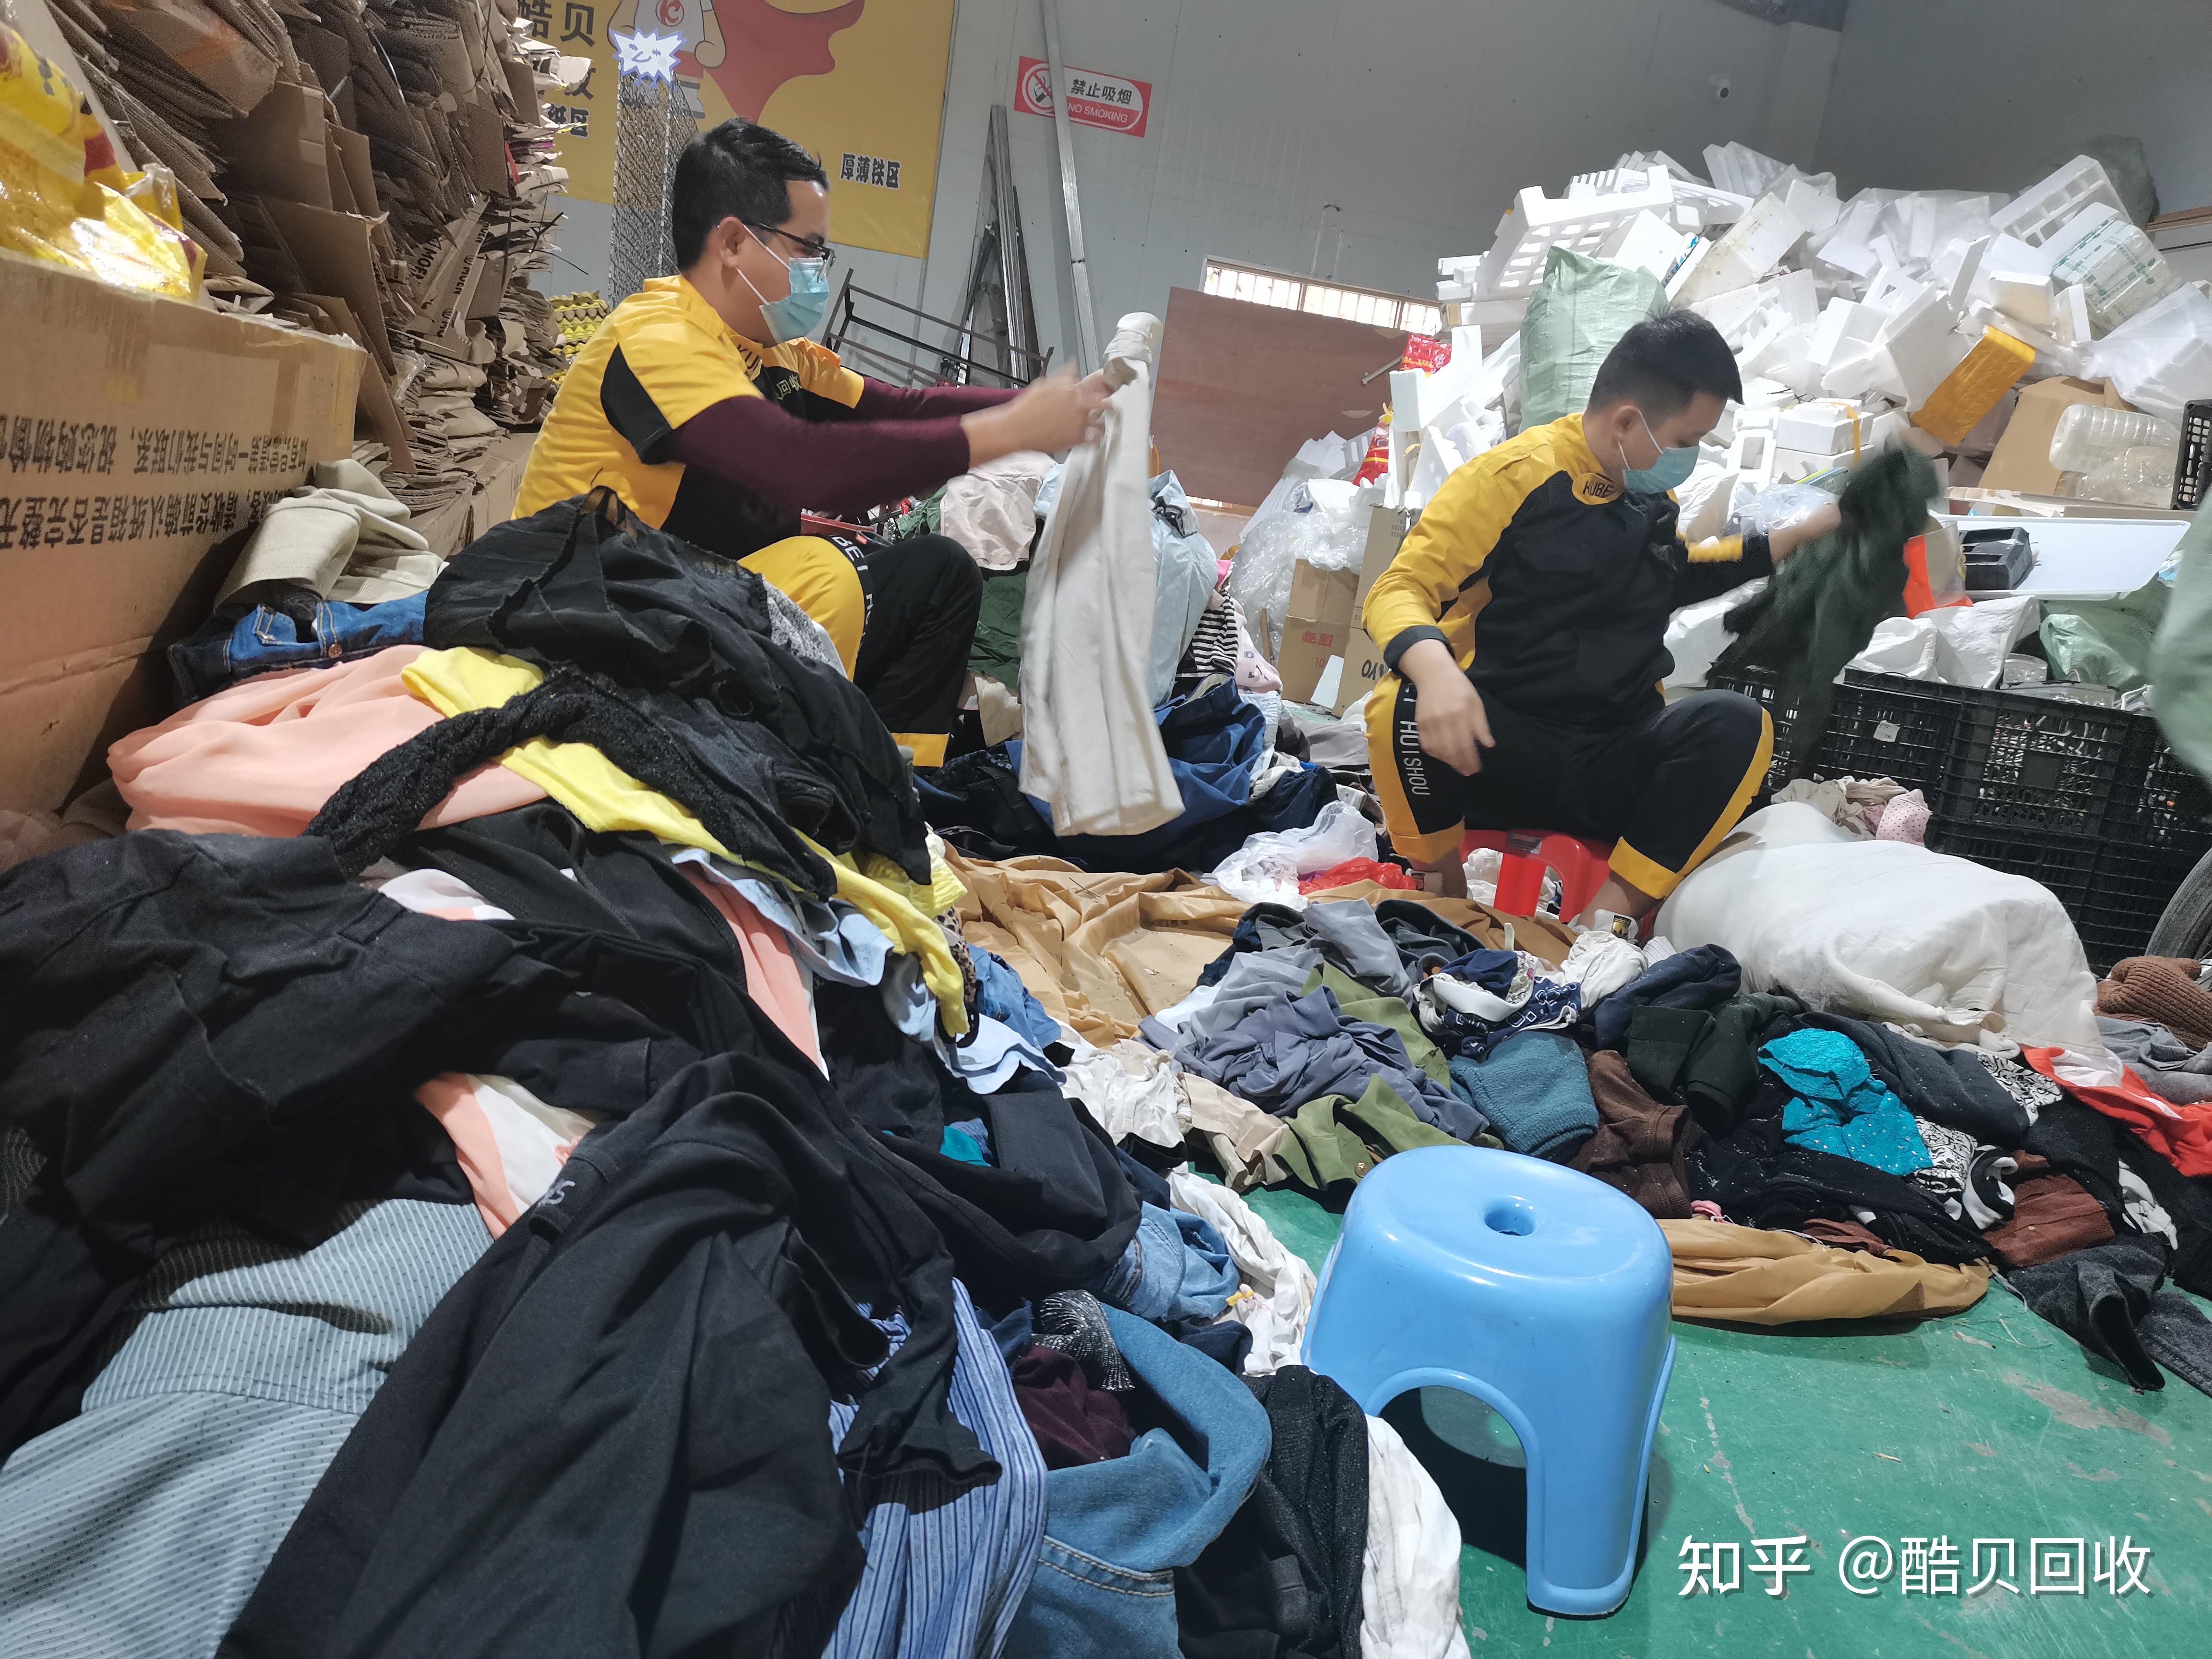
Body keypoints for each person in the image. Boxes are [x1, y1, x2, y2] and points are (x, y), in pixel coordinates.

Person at [517, 117, 1109, 765]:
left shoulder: (774, 353)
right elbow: (801, 465)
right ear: (734, 243)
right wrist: (1014, 430)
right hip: (598, 615)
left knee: (940, 574)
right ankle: (807, 773)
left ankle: (902, 781)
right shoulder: (657, 340)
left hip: (689, 596)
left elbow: (902, 409)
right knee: (827, 572)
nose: (819, 273)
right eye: (809, 250)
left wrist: (1051, 405)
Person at [1360, 311, 1842, 930]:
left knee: (1739, 725)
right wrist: (1438, 675)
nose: (1690, 457)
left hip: (1610, 756)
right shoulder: (1513, 478)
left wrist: (1791, 540)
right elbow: (1398, 588)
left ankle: (1604, 924)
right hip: (1495, 751)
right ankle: (1444, 891)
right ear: (1626, 422)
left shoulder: (1652, 496)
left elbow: (1676, 576)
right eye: (1687, 440)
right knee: (1399, 703)